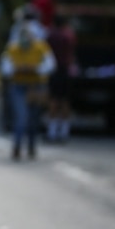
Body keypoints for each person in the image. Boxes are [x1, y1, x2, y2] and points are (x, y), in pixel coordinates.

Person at [0, 24, 55, 160]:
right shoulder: (13, 48)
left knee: (33, 118)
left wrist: (35, 69)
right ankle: (17, 147)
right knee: (21, 117)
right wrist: (19, 69)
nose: (26, 38)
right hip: (18, 86)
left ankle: (31, 146)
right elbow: (5, 68)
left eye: (29, 35)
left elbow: (50, 65)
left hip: (36, 87)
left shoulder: (41, 47)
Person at [46, 14, 76, 143]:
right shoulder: (68, 35)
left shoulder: (51, 36)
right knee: (64, 101)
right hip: (65, 70)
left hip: (54, 70)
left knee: (53, 100)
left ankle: (52, 131)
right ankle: (64, 131)